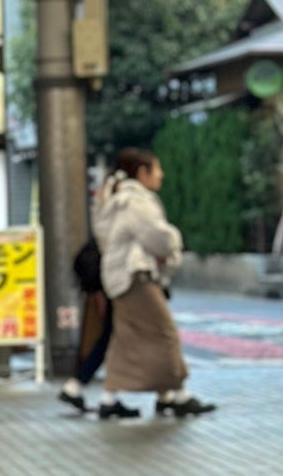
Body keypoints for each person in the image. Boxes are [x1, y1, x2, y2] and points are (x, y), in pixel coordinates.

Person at [91, 147, 216, 420]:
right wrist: (175, 239)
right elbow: (157, 237)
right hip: (136, 275)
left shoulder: (114, 198)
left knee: (125, 339)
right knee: (164, 332)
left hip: (118, 276)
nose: (161, 175)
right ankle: (179, 395)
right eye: (157, 169)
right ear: (142, 173)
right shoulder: (136, 201)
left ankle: (110, 399)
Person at [57, 234, 112, 412]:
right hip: (122, 284)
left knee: (111, 337)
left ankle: (81, 387)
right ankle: (107, 397)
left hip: (111, 281)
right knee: (114, 337)